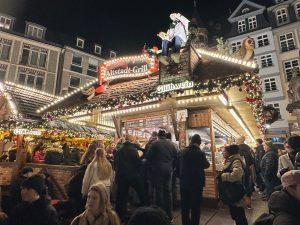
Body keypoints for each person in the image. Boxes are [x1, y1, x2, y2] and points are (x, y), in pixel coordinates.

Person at [146, 130, 177, 222]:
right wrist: (172, 167)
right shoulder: (171, 144)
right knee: (168, 192)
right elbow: (176, 157)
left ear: (158, 136)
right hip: (168, 171)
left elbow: (148, 156)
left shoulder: (155, 144)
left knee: (159, 192)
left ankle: (160, 216)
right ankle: (169, 216)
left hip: (157, 171)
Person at [179, 134, 210, 225]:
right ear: (199, 143)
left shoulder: (182, 151)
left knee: (185, 205)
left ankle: (185, 223)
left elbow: (177, 165)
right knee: (195, 206)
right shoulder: (200, 153)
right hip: (196, 183)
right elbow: (206, 165)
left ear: (191, 141)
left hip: (184, 182)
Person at [115, 135, 146, 222]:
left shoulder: (119, 150)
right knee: (141, 193)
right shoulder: (133, 150)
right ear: (132, 140)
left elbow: (116, 163)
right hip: (133, 176)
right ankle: (145, 211)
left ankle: (120, 214)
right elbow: (138, 163)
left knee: (121, 196)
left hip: (121, 176)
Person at [220, 145, 248, 225]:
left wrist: (222, 176)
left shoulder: (236, 160)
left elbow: (236, 175)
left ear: (229, 152)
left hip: (235, 190)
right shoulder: (232, 159)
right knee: (236, 213)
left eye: (224, 151)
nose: (223, 153)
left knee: (238, 213)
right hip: (232, 190)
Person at [237, 136, 254, 209]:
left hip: (240, 169)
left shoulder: (237, 148)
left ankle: (240, 201)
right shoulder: (248, 148)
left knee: (239, 185)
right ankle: (248, 204)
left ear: (239, 141)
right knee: (247, 185)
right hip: (247, 169)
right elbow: (252, 160)